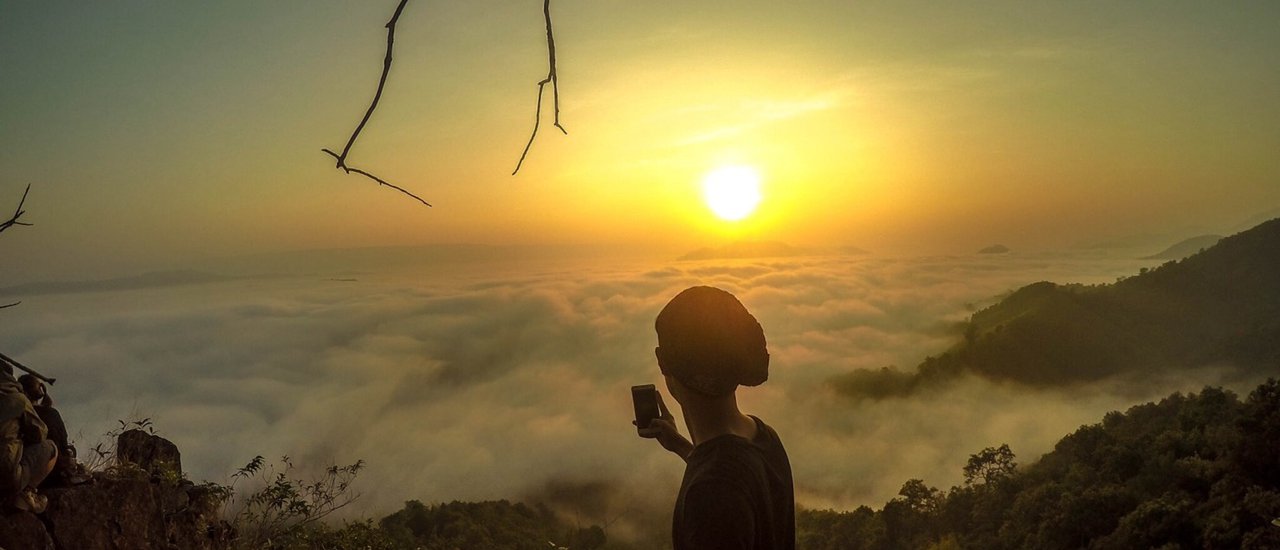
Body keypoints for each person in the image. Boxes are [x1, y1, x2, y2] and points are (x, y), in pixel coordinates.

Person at [636, 286, 795, 550]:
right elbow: (735, 472)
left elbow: (722, 485)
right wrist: (682, 447)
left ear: (663, 362)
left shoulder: (710, 495)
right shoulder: (764, 436)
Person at [0, 363, 56, 513]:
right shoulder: (18, 399)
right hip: (7, 477)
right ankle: (27, 492)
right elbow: (40, 433)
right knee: (50, 447)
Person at [19, 374, 86, 487]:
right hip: (55, 472)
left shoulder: (21, 414)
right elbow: (63, 444)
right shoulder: (52, 413)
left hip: (29, 473)